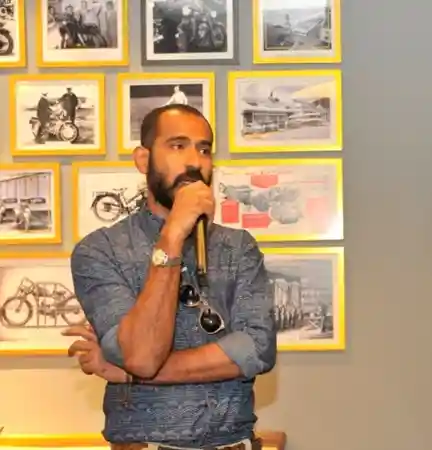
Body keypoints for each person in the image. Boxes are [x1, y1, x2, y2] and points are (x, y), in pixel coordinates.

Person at [63, 104, 277, 450]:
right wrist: (172, 235)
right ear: (143, 160)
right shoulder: (100, 251)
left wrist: (130, 374)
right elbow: (142, 355)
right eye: (177, 146)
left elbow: (257, 350)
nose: (194, 161)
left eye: (204, 149)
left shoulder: (238, 247)